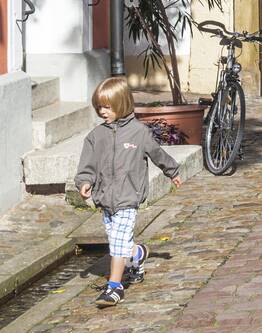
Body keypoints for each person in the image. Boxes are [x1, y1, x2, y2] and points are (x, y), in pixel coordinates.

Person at [75, 76, 182, 308]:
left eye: (107, 107)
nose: (102, 112)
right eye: (99, 107)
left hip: (129, 197)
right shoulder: (96, 137)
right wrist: (84, 181)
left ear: (122, 104)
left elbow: (157, 154)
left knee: (117, 241)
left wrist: (172, 171)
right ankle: (138, 253)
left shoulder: (138, 133)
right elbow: (87, 166)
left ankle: (114, 287)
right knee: (120, 242)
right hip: (105, 198)